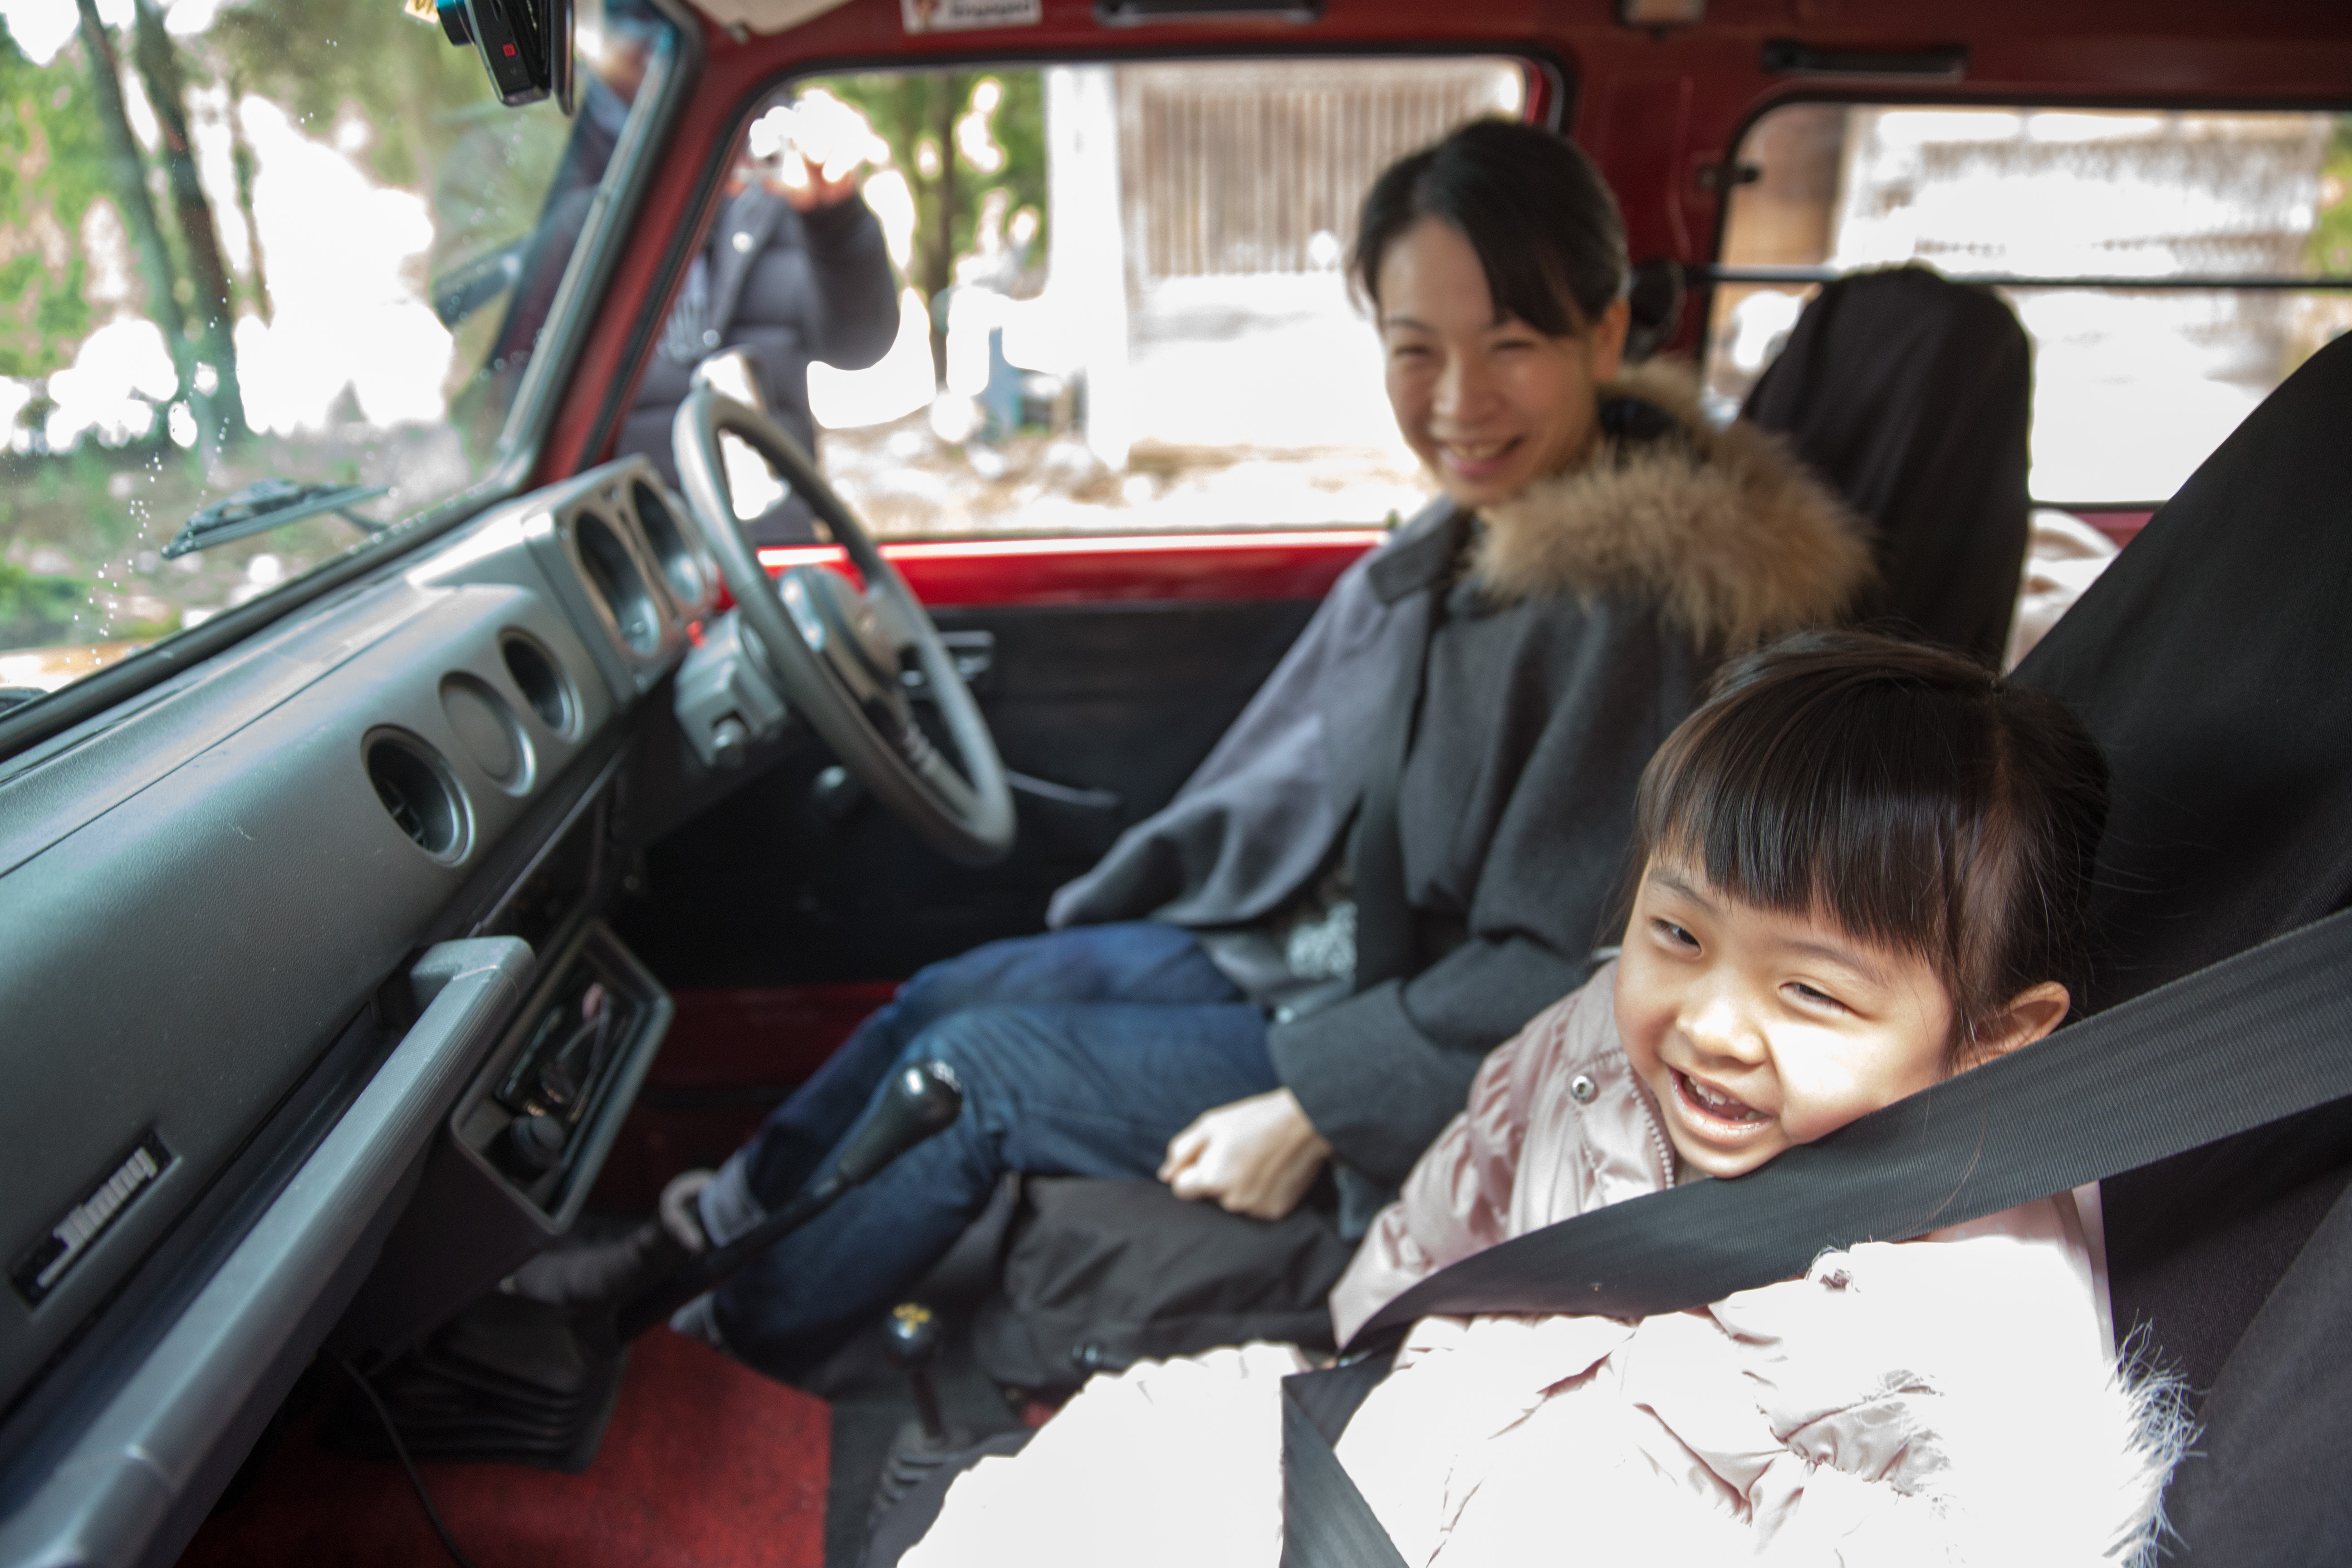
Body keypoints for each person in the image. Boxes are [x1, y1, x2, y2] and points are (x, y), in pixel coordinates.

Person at [525, 119, 1868, 1382]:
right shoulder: (1478, 526)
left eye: (1511, 344)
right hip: (1297, 956)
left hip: (1391, 1030)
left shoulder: (1632, 609)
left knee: (970, 1075)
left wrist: (1318, 1105)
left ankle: (708, 1347)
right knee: (943, 992)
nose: (1458, 400)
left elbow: (1573, 972)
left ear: (1606, 330)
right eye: (1415, 348)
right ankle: (702, 1236)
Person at [893, 632, 2185, 1568]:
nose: (1709, 1023)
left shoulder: (1971, 1336)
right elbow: (1442, 1222)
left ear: (1995, 1038)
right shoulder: (1586, 1048)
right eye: (1677, 934)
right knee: (1057, 1490)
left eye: (1810, 992)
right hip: (1397, 1434)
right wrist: (1367, 1359)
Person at [614, 119, 901, 545]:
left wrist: (835, 218)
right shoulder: (593, 201)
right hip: (634, 543)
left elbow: (859, 343)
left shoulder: (786, 193)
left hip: (768, 536)